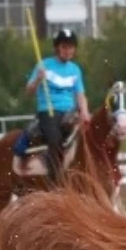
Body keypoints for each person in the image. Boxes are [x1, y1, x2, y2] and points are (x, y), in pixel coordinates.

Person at [22, 27, 92, 180]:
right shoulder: (43, 65)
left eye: (71, 47)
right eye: (65, 47)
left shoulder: (75, 70)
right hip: (48, 111)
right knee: (55, 141)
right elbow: (28, 92)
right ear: (57, 48)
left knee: (88, 138)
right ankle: (55, 182)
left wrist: (85, 112)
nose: (68, 51)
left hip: (70, 112)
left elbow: (80, 95)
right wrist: (38, 79)